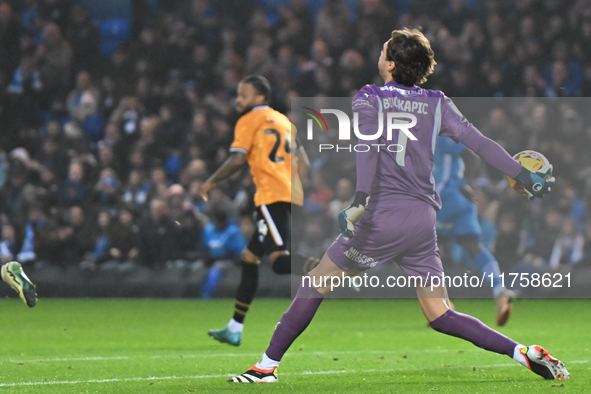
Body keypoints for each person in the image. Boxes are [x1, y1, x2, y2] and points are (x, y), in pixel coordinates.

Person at [228, 28, 567, 383]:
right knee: (440, 313)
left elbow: (368, 148)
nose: (379, 53)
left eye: (383, 50)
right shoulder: (437, 102)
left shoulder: (369, 96)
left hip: (381, 216)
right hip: (421, 220)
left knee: (315, 284)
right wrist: (521, 174)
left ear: (390, 64)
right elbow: (479, 143)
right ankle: (523, 353)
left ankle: (264, 367)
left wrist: (359, 201)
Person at [201, 75, 317, 346]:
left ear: (260, 98)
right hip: (288, 193)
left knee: (278, 261)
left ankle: (328, 268)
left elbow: (238, 158)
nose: (238, 100)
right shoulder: (283, 121)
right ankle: (234, 327)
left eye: (243, 95)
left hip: (271, 195)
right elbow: (305, 163)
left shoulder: (249, 120)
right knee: (249, 257)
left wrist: (212, 180)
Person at [433, 135, 515, 325]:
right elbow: (472, 157)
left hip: (444, 197)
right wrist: (467, 184)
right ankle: (500, 290)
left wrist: (464, 183)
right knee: (474, 248)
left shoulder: (437, 135)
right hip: (462, 201)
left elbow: (471, 156)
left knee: (415, 247)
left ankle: (440, 303)